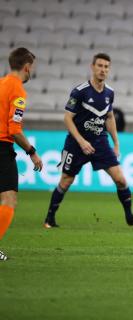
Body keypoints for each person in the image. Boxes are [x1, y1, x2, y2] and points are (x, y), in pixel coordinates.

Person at [43, 53, 133, 229]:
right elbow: (68, 118)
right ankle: (50, 218)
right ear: (92, 67)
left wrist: (116, 143)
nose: (103, 69)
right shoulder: (80, 91)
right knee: (66, 180)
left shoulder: (109, 93)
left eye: (106, 67)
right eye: (100, 66)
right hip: (76, 143)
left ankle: (129, 216)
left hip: (100, 142)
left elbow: (110, 117)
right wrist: (81, 141)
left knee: (120, 180)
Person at [0, 47, 43, 261]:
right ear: (27, 67)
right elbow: (14, 130)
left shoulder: (0, 84)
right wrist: (32, 152)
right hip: (1, 147)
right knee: (9, 199)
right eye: (31, 68)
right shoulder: (17, 90)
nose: (31, 72)